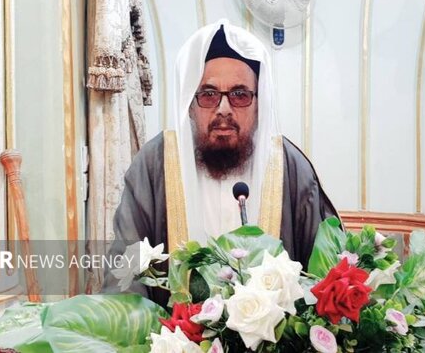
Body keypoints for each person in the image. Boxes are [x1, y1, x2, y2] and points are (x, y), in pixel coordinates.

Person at [104, 19, 340, 299]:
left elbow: (325, 275)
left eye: (240, 95)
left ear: (259, 104)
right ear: (190, 105)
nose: (224, 108)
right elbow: (126, 273)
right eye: (209, 94)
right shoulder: (155, 164)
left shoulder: (288, 166)